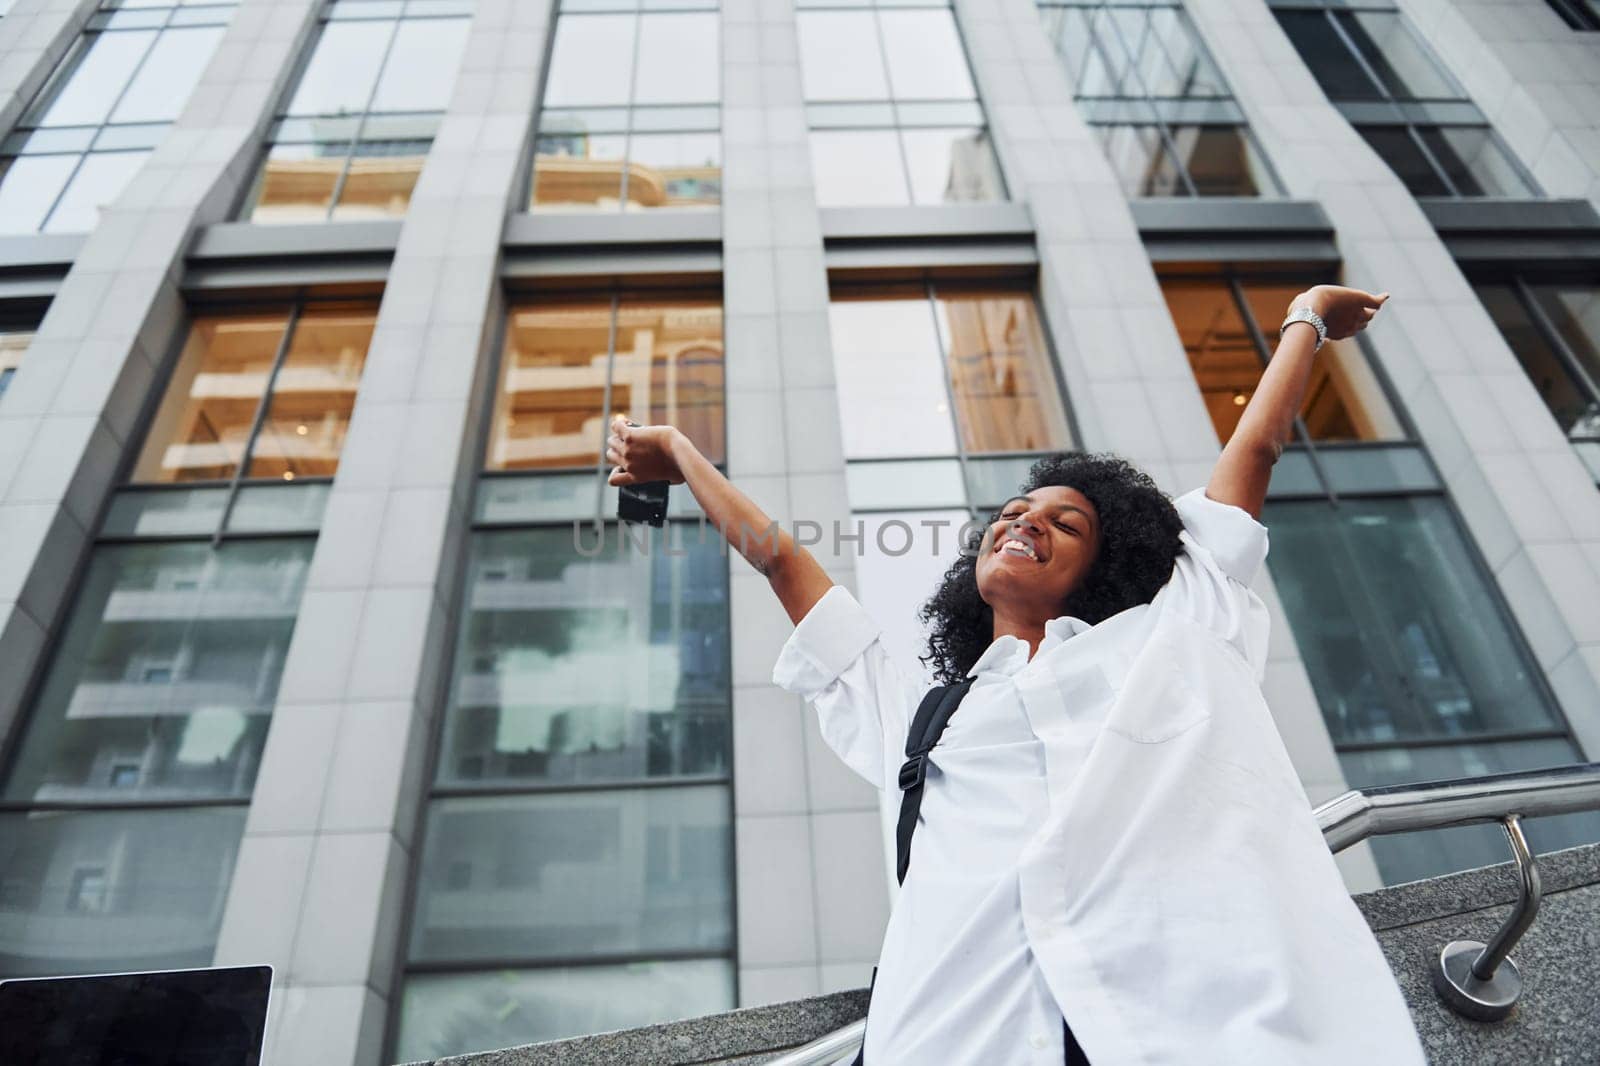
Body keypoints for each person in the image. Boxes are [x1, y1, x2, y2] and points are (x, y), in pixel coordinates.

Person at [605, 285, 1427, 1065]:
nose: (1026, 521)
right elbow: (783, 561)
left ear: (1110, 566)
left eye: (1064, 523)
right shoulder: (920, 720)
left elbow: (1258, 447)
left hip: (1180, 1031)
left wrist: (1306, 317)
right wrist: (680, 453)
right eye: (1012, 516)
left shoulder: (1170, 630)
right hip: (956, 1041)